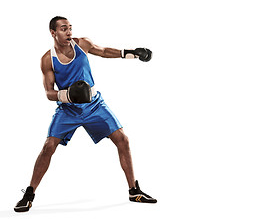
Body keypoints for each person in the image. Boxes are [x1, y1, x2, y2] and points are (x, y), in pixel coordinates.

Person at [14, 16, 157, 213]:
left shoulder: (82, 44)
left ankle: (134, 190)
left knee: (122, 139)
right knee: (48, 146)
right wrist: (68, 95)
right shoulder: (48, 59)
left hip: (94, 105)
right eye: (64, 29)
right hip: (68, 109)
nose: (69, 32)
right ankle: (29, 195)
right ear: (53, 33)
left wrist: (130, 53)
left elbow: (104, 51)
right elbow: (48, 93)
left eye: (70, 28)